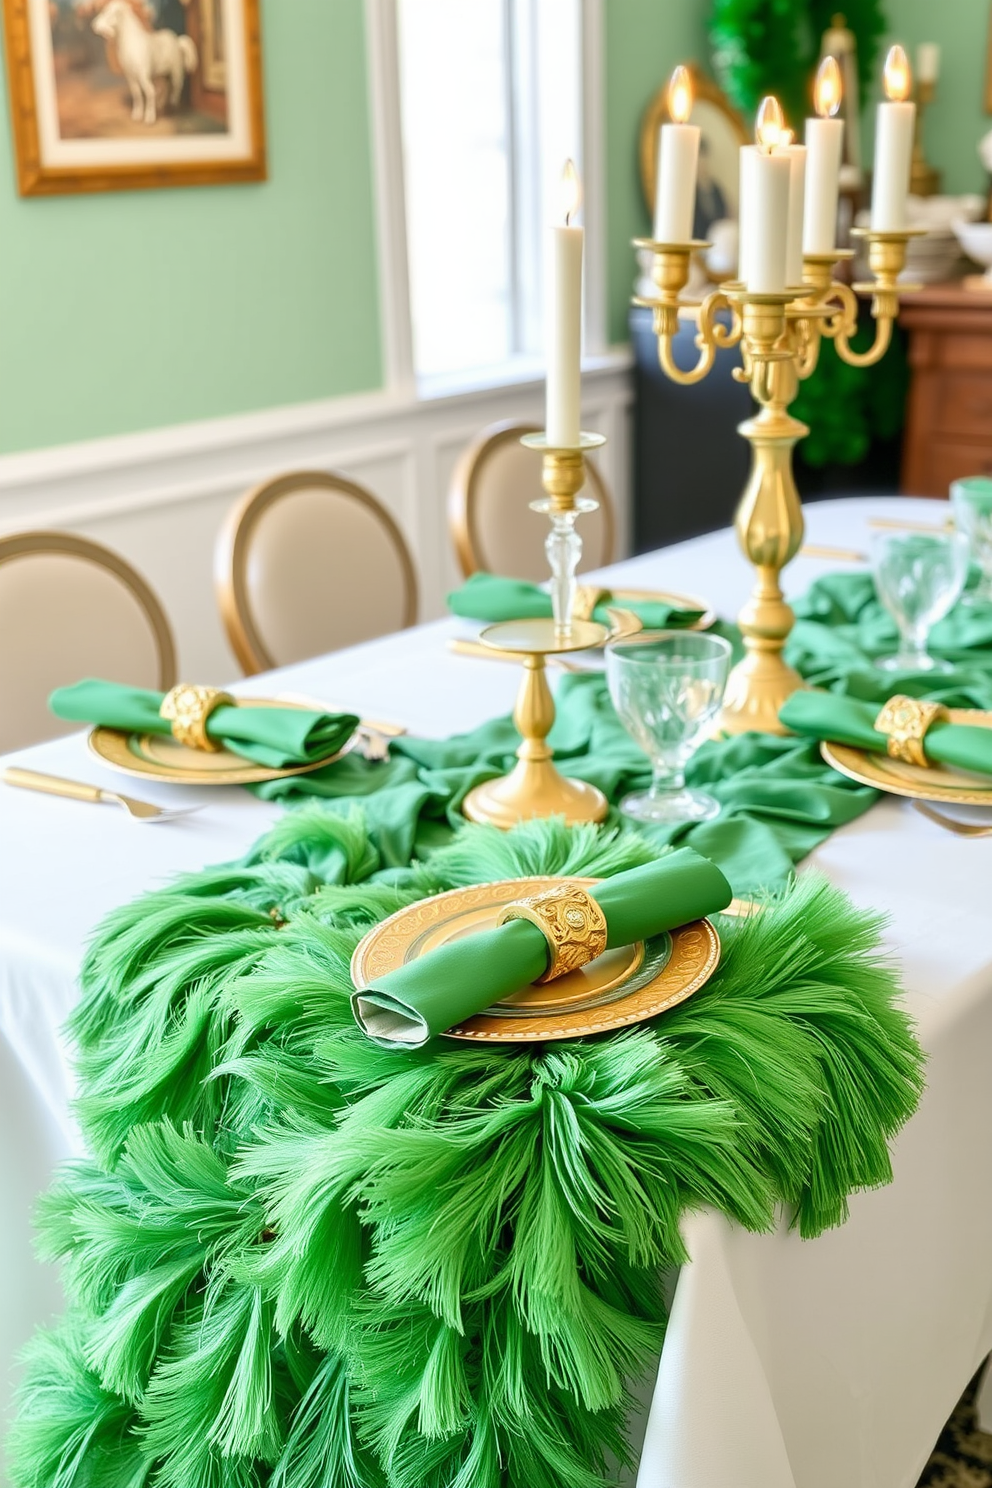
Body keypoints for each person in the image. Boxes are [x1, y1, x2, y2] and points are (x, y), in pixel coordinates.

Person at [692, 137, 728, 242]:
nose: (702, 162)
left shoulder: (716, 189)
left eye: (704, 157)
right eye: (699, 158)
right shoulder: (690, 192)